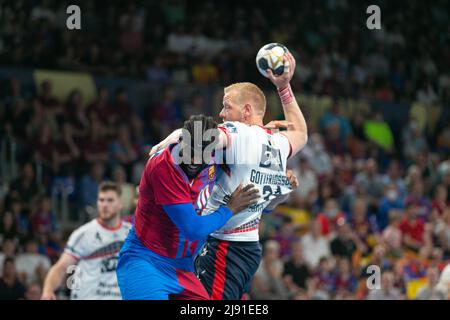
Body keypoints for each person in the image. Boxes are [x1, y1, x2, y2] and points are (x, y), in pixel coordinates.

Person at [153, 52, 308, 299]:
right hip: (242, 246)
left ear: (246, 111)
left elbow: (201, 135)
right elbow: (300, 132)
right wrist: (284, 87)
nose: (222, 114)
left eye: (227, 106)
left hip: (225, 247)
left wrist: (165, 144)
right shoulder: (277, 143)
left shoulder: (239, 134)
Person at [116, 115, 260, 300]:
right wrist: (229, 209)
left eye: (201, 154)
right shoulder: (164, 167)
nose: (193, 159)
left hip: (183, 266)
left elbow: (248, 139)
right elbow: (193, 229)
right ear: (181, 141)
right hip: (146, 260)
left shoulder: (217, 151)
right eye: (190, 151)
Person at [41, 182, 131, 300]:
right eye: (101, 200)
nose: (104, 205)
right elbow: (61, 267)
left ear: (120, 204)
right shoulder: (83, 234)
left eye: (110, 200)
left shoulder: (131, 233)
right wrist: (48, 290)